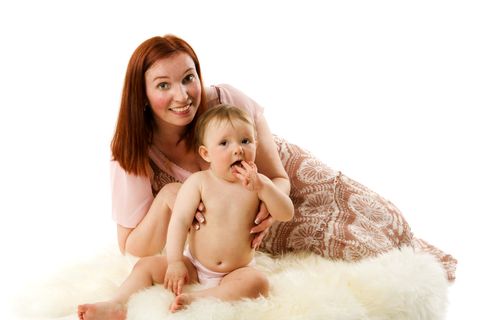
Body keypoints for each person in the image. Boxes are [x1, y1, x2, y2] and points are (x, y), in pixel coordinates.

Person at [110, 35, 457, 281]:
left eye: (188, 78)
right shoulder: (133, 151)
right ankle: (406, 259)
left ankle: (417, 251)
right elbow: (130, 246)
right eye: (163, 85)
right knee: (346, 241)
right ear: (141, 94)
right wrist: (171, 197)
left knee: (373, 211)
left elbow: (279, 177)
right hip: (239, 214)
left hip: (275, 177)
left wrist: (268, 199)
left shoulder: (226, 100)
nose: (182, 95)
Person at [78, 104, 294, 320]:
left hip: (237, 270)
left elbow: (286, 213)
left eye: (245, 141)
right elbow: (179, 222)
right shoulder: (198, 183)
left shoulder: (260, 185)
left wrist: (264, 189)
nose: (237, 149)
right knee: (146, 266)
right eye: (224, 143)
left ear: (255, 145)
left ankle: (200, 298)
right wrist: (174, 262)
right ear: (206, 153)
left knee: (258, 283)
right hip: (194, 265)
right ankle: (117, 303)